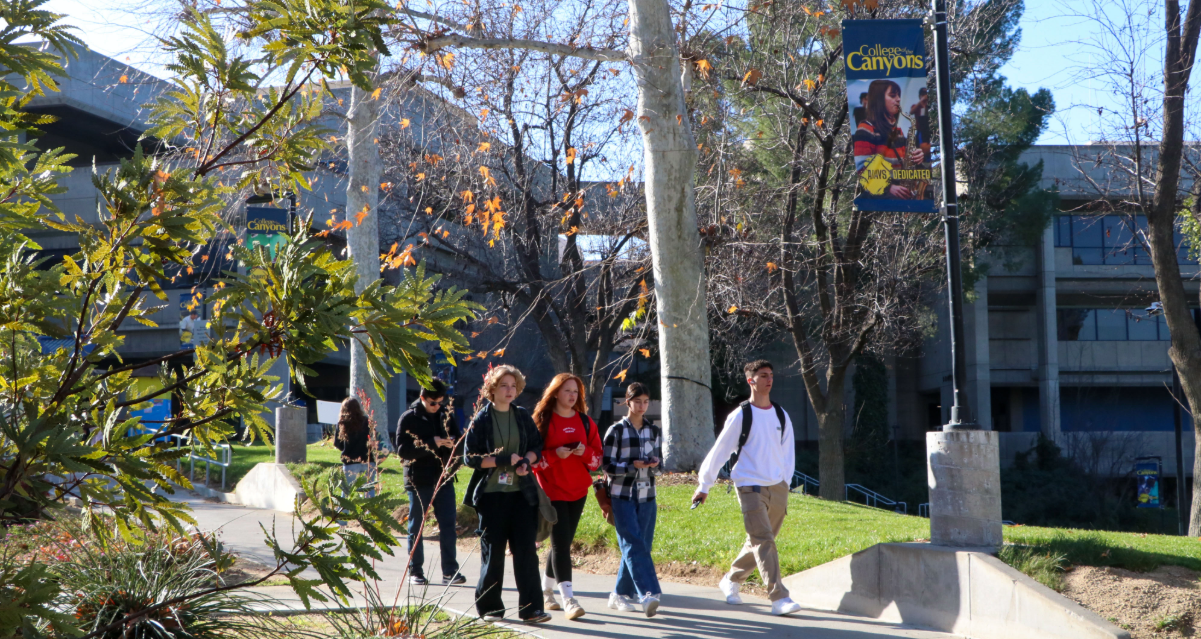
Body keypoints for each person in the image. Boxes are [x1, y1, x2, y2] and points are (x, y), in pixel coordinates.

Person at [693, 360, 802, 616]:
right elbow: (719, 451)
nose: (769, 379)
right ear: (750, 380)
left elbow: (788, 453)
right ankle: (779, 598)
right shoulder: (741, 415)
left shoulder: (781, 414)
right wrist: (704, 484)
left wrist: (785, 482)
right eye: (763, 375)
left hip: (777, 487)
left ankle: (731, 579)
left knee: (761, 540)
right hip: (749, 487)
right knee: (764, 541)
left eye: (771, 375)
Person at [462, 365, 551, 624]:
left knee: (526, 553)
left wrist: (525, 461)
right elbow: (470, 458)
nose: (510, 390)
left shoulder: (522, 415)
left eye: (513, 386)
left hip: (522, 495)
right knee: (494, 554)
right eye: (504, 386)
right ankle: (490, 608)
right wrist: (501, 460)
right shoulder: (482, 419)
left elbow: (536, 447)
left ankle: (532, 610)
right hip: (491, 496)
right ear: (492, 389)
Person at [531, 373, 603, 621]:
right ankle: (569, 599)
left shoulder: (585, 422)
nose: (572, 396)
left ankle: (546, 591)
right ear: (555, 393)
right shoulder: (542, 421)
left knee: (561, 543)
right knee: (561, 545)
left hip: (578, 490)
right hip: (552, 491)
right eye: (567, 391)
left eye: (576, 392)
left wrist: (584, 453)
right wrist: (554, 455)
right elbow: (532, 461)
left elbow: (597, 460)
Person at [395, 380, 465, 587]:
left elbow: (459, 443)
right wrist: (432, 443)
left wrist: (453, 444)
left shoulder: (445, 415)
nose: (437, 406)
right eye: (433, 403)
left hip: (443, 478)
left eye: (440, 402)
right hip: (418, 479)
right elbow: (403, 450)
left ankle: (450, 571)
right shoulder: (409, 417)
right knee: (417, 525)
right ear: (422, 398)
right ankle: (415, 570)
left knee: (448, 525)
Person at [602, 382, 663, 618]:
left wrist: (654, 465)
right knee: (632, 543)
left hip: (648, 495)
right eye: (637, 401)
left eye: (646, 402)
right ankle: (648, 593)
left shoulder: (653, 430)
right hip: (622, 494)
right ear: (627, 402)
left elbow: (660, 466)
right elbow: (607, 466)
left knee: (642, 545)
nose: (642, 406)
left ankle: (619, 593)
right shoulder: (616, 430)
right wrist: (631, 466)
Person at [852, 79, 925, 199]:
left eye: (898, 96)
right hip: (879, 200)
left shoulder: (898, 131)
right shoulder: (865, 129)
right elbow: (862, 169)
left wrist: (917, 157)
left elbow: (905, 162)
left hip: (901, 198)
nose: (898, 99)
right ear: (879, 99)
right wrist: (888, 187)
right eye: (892, 95)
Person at [334, 397, 376, 498]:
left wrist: (346, 447)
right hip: (368, 460)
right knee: (369, 491)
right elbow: (374, 439)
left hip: (350, 461)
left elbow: (337, 443)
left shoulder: (342, 424)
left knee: (346, 493)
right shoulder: (367, 421)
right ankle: (370, 508)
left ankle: (344, 508)